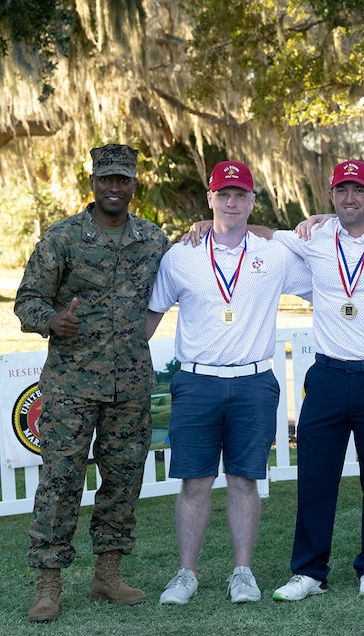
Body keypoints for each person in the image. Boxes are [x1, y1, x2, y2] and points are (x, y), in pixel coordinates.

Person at [15, 144, 172, 622]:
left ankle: (108, 575)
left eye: (123, 180)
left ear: (134, 184)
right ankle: (48, 584)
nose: (114, 188)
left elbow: (191, 267)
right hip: (70, 386)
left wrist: (205, 227)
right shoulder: (62, 238)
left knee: (123, 482)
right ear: (93, 182)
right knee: (60, 484)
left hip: (129, 386)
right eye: (106, 179)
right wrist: (51, 320)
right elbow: (26, 300)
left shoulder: (152, 239)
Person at [146, 161, 312, 605]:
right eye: (224, 195)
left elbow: (329, 268)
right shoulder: (181, 255)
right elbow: (150, 317)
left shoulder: (274, 254)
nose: (232, 202)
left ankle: (243, 572)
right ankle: (186, 574)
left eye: (240, 195)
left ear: (253, 200)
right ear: (210, 198)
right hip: (197, 382)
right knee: (194, 482)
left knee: (244, 480)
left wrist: (315, 220)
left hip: (254, 382)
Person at [269, 159, 364, 601]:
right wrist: (210, 221)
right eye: (343, 190)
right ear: (331, 195)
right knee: (316, 477)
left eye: (359, 190)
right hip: (328, 375)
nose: (350, 198)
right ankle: (309, 572)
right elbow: (260, 236)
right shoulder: (313, 238)